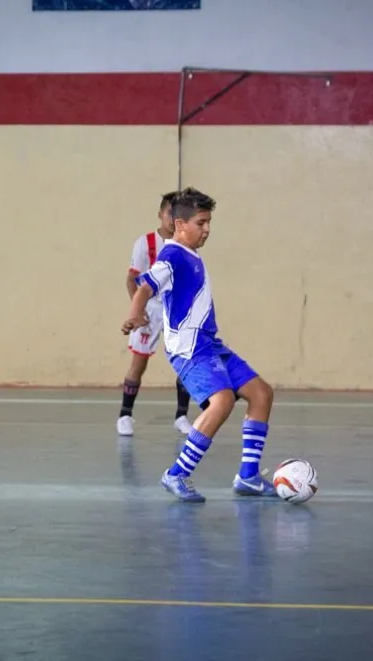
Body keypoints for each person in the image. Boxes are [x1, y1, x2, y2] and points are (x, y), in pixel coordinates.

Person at [122, 187, 276, 503]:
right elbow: (144, 286)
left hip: (210, 344)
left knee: (261, 393)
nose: (207, 229)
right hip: (189, 349)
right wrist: (135, 315)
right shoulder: (172, 254)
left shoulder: (191, 254)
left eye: (208, 223)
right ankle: (177, 473)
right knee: (221, 402)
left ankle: (248, 476)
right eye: (201, 223)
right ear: (180, 224)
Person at [118, 191, 193, 437]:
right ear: (160, 214)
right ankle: (125, 415)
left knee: (185, 363)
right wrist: (137, 310)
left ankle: (182, 416)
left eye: (178, 214)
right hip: (150, 308)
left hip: (177, 309)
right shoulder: (145, 243)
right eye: (169, 213)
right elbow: (132, 279)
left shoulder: (186, 244)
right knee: (139, 362)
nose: (173, 218)